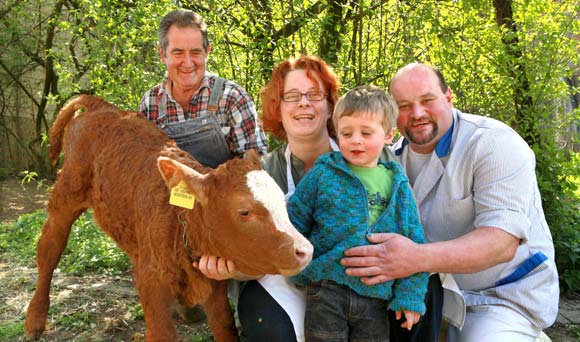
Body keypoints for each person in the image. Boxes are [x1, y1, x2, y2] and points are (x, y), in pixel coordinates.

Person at [341, 62, 559, 341]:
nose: (417, 113)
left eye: (427, 100)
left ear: (448, 97)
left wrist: (413, 259)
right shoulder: (386, 161)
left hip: (500, 297)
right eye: (404, 105)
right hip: (427, 297)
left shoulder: (493, 143)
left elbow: (502, 243)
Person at [193, 56, 404, 341]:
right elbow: (245, 248)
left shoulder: (372, 156)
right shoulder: (261, 173)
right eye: (291, 96)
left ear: (330, 106)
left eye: (314, 94)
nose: (304, 103)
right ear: (277, 109)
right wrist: (228, 268)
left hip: (359, 281)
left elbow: (403, 221)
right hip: (287, 280)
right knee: (266, 319)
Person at [286, 85, 428, 341]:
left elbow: (414, 241)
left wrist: (410, 296)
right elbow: (294, 220)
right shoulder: (323, 173)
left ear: (388, 135)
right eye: (346, 133)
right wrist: (291, 261)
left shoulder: (398, 185)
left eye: (366, 132)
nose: (356, 140)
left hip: (376, 293)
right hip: (326, 287)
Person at [139, 9, 267, 168]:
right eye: (178, 53)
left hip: (225, 192)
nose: (188, 62)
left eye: (195, 52)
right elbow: (143, 170)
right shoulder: (151, 103)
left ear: (207, 52)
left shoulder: (232, 98)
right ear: (162, 54)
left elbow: (256, 170)